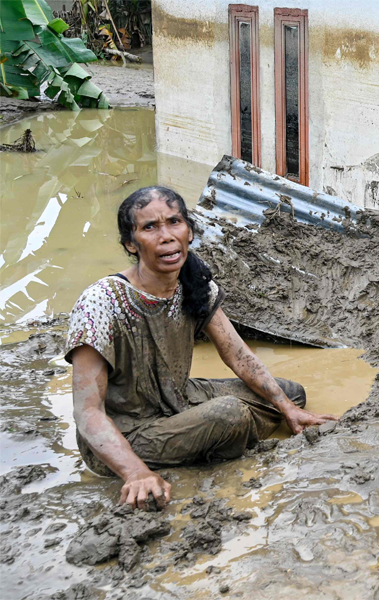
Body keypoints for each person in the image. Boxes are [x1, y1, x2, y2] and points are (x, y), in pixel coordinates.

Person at [67, 186, 337, 510]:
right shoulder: (102, 302)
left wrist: (287, 409)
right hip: (128, 431)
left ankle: (198, 440)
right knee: (229, 414)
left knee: (290, 395)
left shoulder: (194, 283)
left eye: (174, 222)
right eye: (149, 227)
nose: (166, 236)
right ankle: (189, 449)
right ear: (130, 243)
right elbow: (87, 412)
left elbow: (237, 354)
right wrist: (135, 472)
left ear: (189, 232)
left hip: (177, 400)